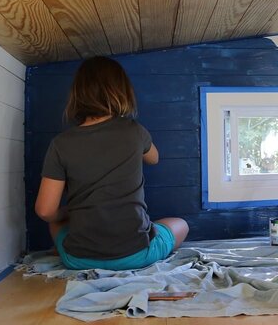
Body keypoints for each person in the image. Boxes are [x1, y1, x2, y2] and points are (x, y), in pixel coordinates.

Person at [35, 56, 189, 270]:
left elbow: (45, 211)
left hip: (79, 259)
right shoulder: (134, 131)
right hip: (137, 254)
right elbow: (154, 158)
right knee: (181, 225)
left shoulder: (61, 143)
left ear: (78, 95)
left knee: (55, 221)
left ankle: (64, 249)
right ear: (122, 92)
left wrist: (68, 213)